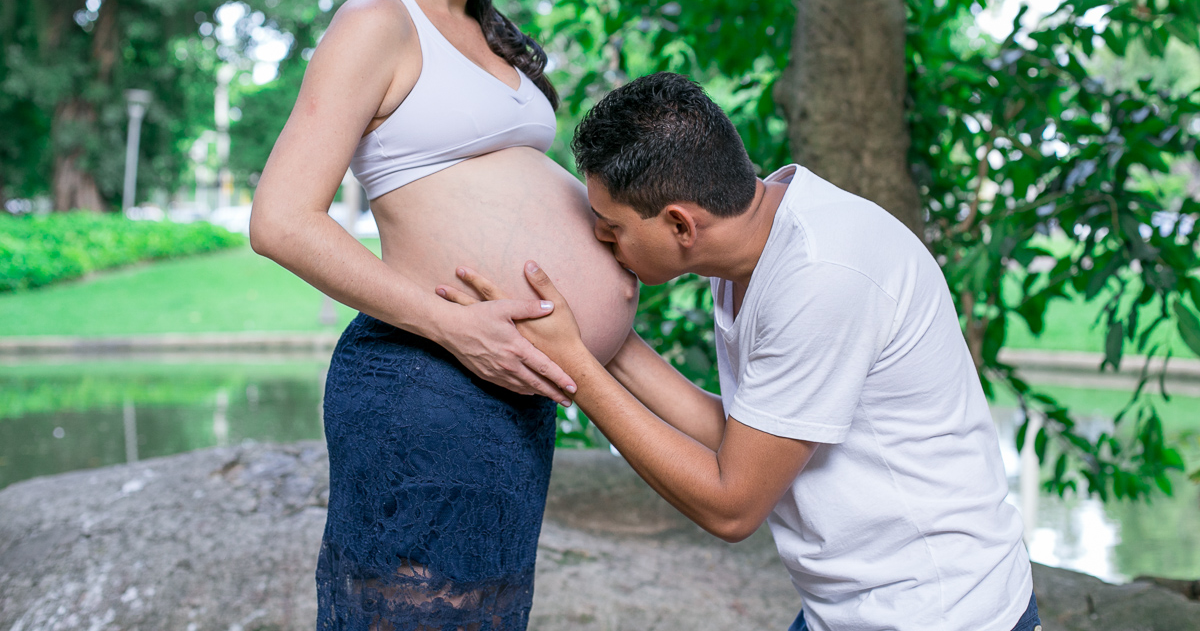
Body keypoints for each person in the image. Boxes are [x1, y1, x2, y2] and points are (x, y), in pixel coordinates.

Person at [440, 72, 1041, 631]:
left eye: (610, 226)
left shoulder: (822, 278)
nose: (602, 239)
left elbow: (733, 505)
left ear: (680, 225)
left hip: (938, 610)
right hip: (849, 608)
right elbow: (742, 434)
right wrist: (601, 339)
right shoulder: (757, 240)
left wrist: (576, 369)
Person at [247, 0, 638, 626]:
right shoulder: (377, 21)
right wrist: (459, 329)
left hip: (504, 394)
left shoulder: (490, 33)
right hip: (425, 382)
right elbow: (280, 219)